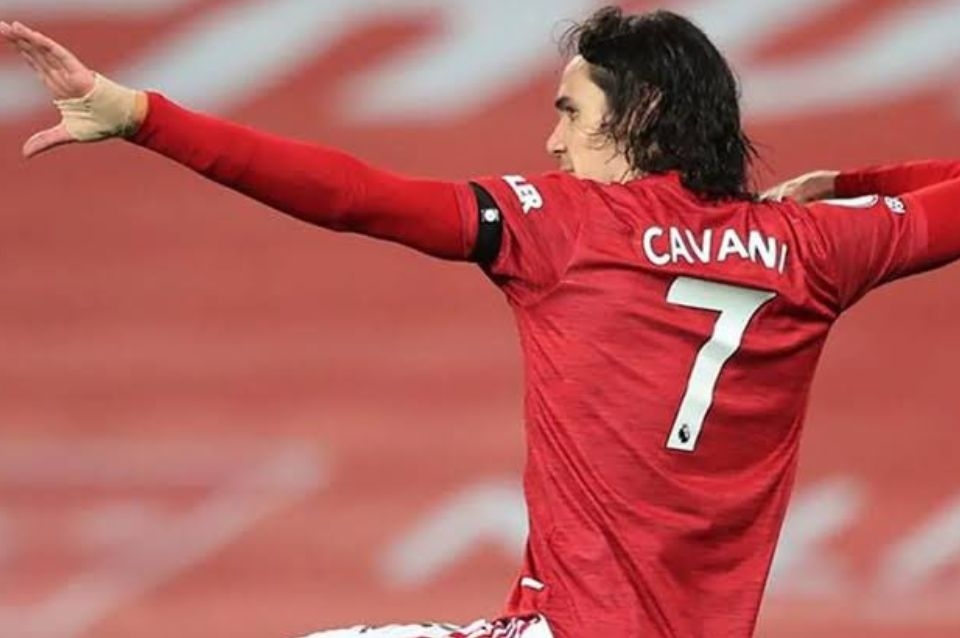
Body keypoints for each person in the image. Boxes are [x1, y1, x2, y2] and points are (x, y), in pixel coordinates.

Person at [3, 7, 959, 638]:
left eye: (570, 111)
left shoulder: (565, 225)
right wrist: (852, 181)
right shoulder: (815, 248)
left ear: (643, 113)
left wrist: (140, 114)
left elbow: (353, 194)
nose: (552, 139)